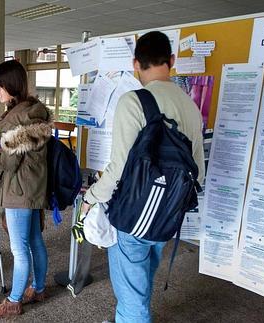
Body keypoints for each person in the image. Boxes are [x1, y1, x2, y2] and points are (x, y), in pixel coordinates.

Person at [81, 31, 205, 323]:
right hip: (168, 215)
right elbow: (197, 167)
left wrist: (90, 198)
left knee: (132, 296)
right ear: (171, 61)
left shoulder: (135, 101)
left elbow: (119, 169)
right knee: (141, 284)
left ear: (135, 63)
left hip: (135, 214)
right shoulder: (191, 106)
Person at [0, 60, 52, 319]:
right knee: (35, 241)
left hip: (19, 191)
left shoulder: (17, 120)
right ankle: (38, 288)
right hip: (34, 189)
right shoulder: (34, 111)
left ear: (9, 85)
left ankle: (13, 301)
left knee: (20, 249)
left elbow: (9, 163)